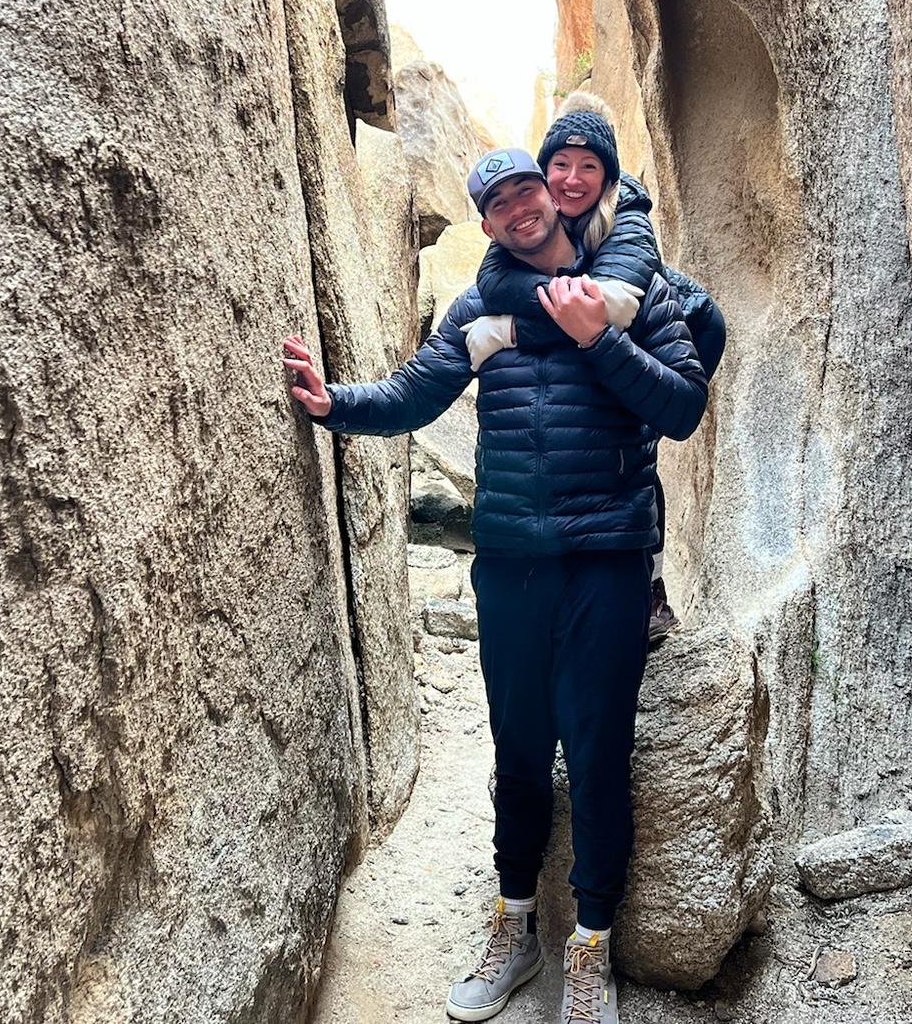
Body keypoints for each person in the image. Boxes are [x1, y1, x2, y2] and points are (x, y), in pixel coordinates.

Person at [283, 147, 708, 1024]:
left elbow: (682, 407)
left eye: (526, 190)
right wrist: (335, 405)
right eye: (499, 202)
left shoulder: (633, 292)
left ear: (552, 194)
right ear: (485, 222)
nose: (518, 208)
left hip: (606, 558)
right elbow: (415, 394)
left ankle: (590, 949)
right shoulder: (480, 308)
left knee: (596, 755)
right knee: (518, 752)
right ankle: (516, 930)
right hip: (511, 562)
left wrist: (598, 338)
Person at [468, 94, 727, 642]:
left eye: (588, 166)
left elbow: (606, 305)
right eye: (559, 165)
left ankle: (649, 587)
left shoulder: (625, 217)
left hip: (686, 323)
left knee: (634, 456)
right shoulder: (535, 222)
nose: (572, 178)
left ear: (609, 176)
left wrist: (508, 331)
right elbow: (497, 282)